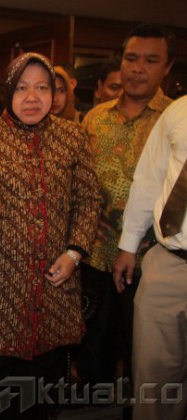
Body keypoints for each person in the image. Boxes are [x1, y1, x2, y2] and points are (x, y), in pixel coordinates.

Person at [0, 52, 102, 419]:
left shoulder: (72, 137)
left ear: (55, 93)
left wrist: (74, 253)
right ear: (9, 91)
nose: (32, 98)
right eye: (22, 88)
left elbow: (89, 199)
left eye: (42, 88)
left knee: (41, 394)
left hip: (55, 286)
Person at [78, 23, 175, 387]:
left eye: (151, 60)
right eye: (131, 58)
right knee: (93, 349)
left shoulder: (175, 120)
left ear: (167, 67)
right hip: (95, 254)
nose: (138, 68)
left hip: (151, 259)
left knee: (145, 356)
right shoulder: (96, 117)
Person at [114, 94, 187, 420]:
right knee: (153, 383)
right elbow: (149, 178)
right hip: (169, 262)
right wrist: (129, 244)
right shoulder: (180, 110)